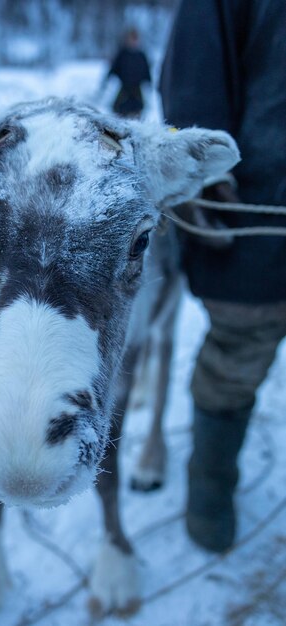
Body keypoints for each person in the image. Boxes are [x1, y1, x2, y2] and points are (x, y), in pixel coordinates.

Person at [160, 0, 286, 552]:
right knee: (236, 357)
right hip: (257, 221)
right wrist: (206, 184)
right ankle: (210, 492)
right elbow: (193, 77)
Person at [104, 27, 151, 118]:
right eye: (131, 38)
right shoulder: (122, 54)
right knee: (118, 109)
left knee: (138, 110)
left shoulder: (141, 55)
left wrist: (149, 82)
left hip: (137, 89)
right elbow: (114, 67)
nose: (133, 41)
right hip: (125, 88)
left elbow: (146, 70)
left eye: (135, 39)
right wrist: (108, 79)